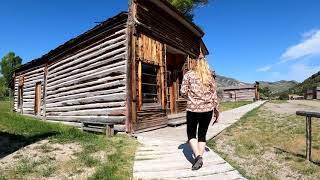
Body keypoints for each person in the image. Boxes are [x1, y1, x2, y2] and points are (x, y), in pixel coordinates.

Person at [180, 57, 219, 170]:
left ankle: (197, 157)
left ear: (195, 63)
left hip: (193, 109)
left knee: (191, 134)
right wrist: (216, 111)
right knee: (202, 134)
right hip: (208, 110)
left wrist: (190, 98)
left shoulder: (189, 74)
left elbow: (182, 91)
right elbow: (214, 96)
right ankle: (200, 157)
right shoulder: (210, 77)